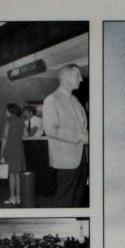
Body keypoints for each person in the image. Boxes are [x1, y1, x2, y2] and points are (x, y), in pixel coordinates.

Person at [42, 63, 88, 208]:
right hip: (66, 160)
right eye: (77, 76)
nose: (81, 79)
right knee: (65, 201)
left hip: (81, 158)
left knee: (77, 199)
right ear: (67, 77)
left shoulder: (74, 100)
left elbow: (82, 126)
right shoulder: (52, 100)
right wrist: (81, 137)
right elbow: (51, 129)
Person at [2, 102, 25, 205]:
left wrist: (1, 154)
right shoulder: (22, 121)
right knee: (18, 175)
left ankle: (12, 197)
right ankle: (19, 197)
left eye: (6, 110)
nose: (5, 112)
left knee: (12, 174)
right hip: (19, 149)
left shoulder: (8, 121)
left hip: (10, 149)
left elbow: (5, 138)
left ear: (10, 111)